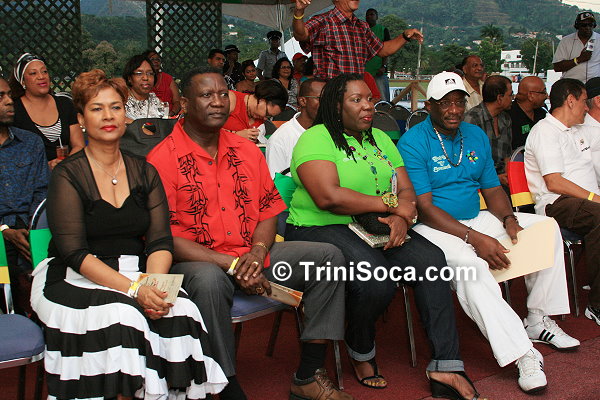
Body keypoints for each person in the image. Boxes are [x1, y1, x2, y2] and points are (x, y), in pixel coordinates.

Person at [147, 66, 350, 400]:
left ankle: (308, 376)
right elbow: (163, 237)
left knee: (328, 258)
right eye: (206, 95)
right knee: (209, 282)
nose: (218, 102)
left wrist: (257, 253)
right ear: (184, 103)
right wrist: (231, 264)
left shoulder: (245, 150)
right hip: (198, 262)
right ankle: (226, 385)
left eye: (222, 94)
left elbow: (268, 210)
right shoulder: (162, 159)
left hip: (251, 255)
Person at [30, 69, 227, 399]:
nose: (108, 116)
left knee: (182, 311)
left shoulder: (145, 171)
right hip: (72, 276)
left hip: (136, 271)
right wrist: (136, 290)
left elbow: (160, 240)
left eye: (115, 107)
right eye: (97, 108)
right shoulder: (67, 174)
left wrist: (155, 287)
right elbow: (74, 253)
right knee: (124, 315)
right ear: (81, 119)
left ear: (126, 115)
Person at [285, 73, 484, 400]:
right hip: (320, 226)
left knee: (432, 261)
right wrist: (391, 205)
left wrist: (402, 218)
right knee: (375, 278)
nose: (368, 107)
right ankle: (360, 344)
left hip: (376, 224)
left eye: (370, 99)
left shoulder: (380, 137)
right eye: (357, 100)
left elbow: (407, 190)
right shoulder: (315, 138)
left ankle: (446, 366)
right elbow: (328, 197)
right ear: (336, 105)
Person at [398, 71, 580, 394]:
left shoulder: (474, 135)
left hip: (476, 217)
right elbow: (423, 207)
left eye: (459, 102)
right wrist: (474, 238)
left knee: (545, 228)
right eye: (445, 103)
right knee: (471, 268)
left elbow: (492, 188)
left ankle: (537, 318)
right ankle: (524, 354)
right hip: (432, 227)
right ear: (429, 106)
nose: (454, 110)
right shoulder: (413, 142)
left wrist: (509, 219)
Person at [524, 78, 600, 326]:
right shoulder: (545, 131)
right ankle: (597, 305)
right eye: (583, 101)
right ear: (570, 100)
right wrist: (595, 198)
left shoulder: (578, 130)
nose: (587, 107)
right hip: (557, 203)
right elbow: (554, 182)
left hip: (583, 203)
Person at [0, 76, 49, 315]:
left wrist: (32, 229)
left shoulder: (30, 143)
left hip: (32, 227)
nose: (9, 101)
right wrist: (4, 231)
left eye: (10, 95)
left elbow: (42, 191)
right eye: (1, 96)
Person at [292, 0, 423, 79]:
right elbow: (300, 35)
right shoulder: (323, 21)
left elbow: (383, 50)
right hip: (331, 93)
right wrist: (298, 13)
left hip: (355, 94)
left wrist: (404, 36)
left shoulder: (362, 26)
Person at [9, 53, 84, 168]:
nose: (41, 76)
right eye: (33, 73)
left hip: (68, 171)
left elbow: (79, 145)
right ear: (22, 81)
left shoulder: (65, 104)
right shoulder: (14, 111)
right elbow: (13, 155)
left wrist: (64, 167)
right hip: (32, 176)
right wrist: (46, 167)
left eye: (44, 72)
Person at [267, 78, 326, 178]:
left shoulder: (334, 132)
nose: (327, 104)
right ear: (303, 101)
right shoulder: (280, 139)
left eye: (329, 99)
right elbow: (277, 182)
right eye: (321, 99)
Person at [464, 75, 514, 187]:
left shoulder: (505, 118)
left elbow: (507, 156)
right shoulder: (472, 120)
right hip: (478, 181)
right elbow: (470, 159)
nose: (512, 98)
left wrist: (509, 176)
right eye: (510, 95)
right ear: (499, 98)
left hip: (502, 179)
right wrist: (495, 178)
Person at [223, 79, 287, 142]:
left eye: (269, 117)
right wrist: (236, 134)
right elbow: (216, 132)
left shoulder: (260, 120)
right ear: (262, 101)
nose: (265, 119)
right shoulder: (230, 100)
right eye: (267, 113)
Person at [553, 11, 600, 83]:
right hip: (571, 84)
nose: (588, 28)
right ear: (577, 26)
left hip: (594, 85)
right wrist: (578, 59)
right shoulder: (566, 41)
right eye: (584, 25)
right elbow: (557, 67)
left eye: (590, 25)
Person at [122, 54, 164, 121]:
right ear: (129, 78)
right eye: (139, 73)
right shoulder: (122, 101)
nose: (145, 78)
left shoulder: (156, 102)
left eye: (150, 73)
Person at [509, 76, 547, 150]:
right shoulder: (509, 116)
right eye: (543, 92)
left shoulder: (542, 114)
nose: (546, 96)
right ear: (531, 95)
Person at [143, 49, 181, 116]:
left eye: (158, 60)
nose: (156, 62)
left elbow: (177, 101)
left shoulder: (168, 78)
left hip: (169, 116)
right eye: (152, 59)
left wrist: (171, 113)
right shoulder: (143, 79)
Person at [365, 8, 391, 101]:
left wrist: (384, 66)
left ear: (377, 17)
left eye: (372, 14)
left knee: (383, 100)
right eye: (367, 15)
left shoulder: (383, 30)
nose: (369, 16)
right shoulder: (362, 30)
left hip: (378, 71)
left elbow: (387, 50)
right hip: (364, 72)